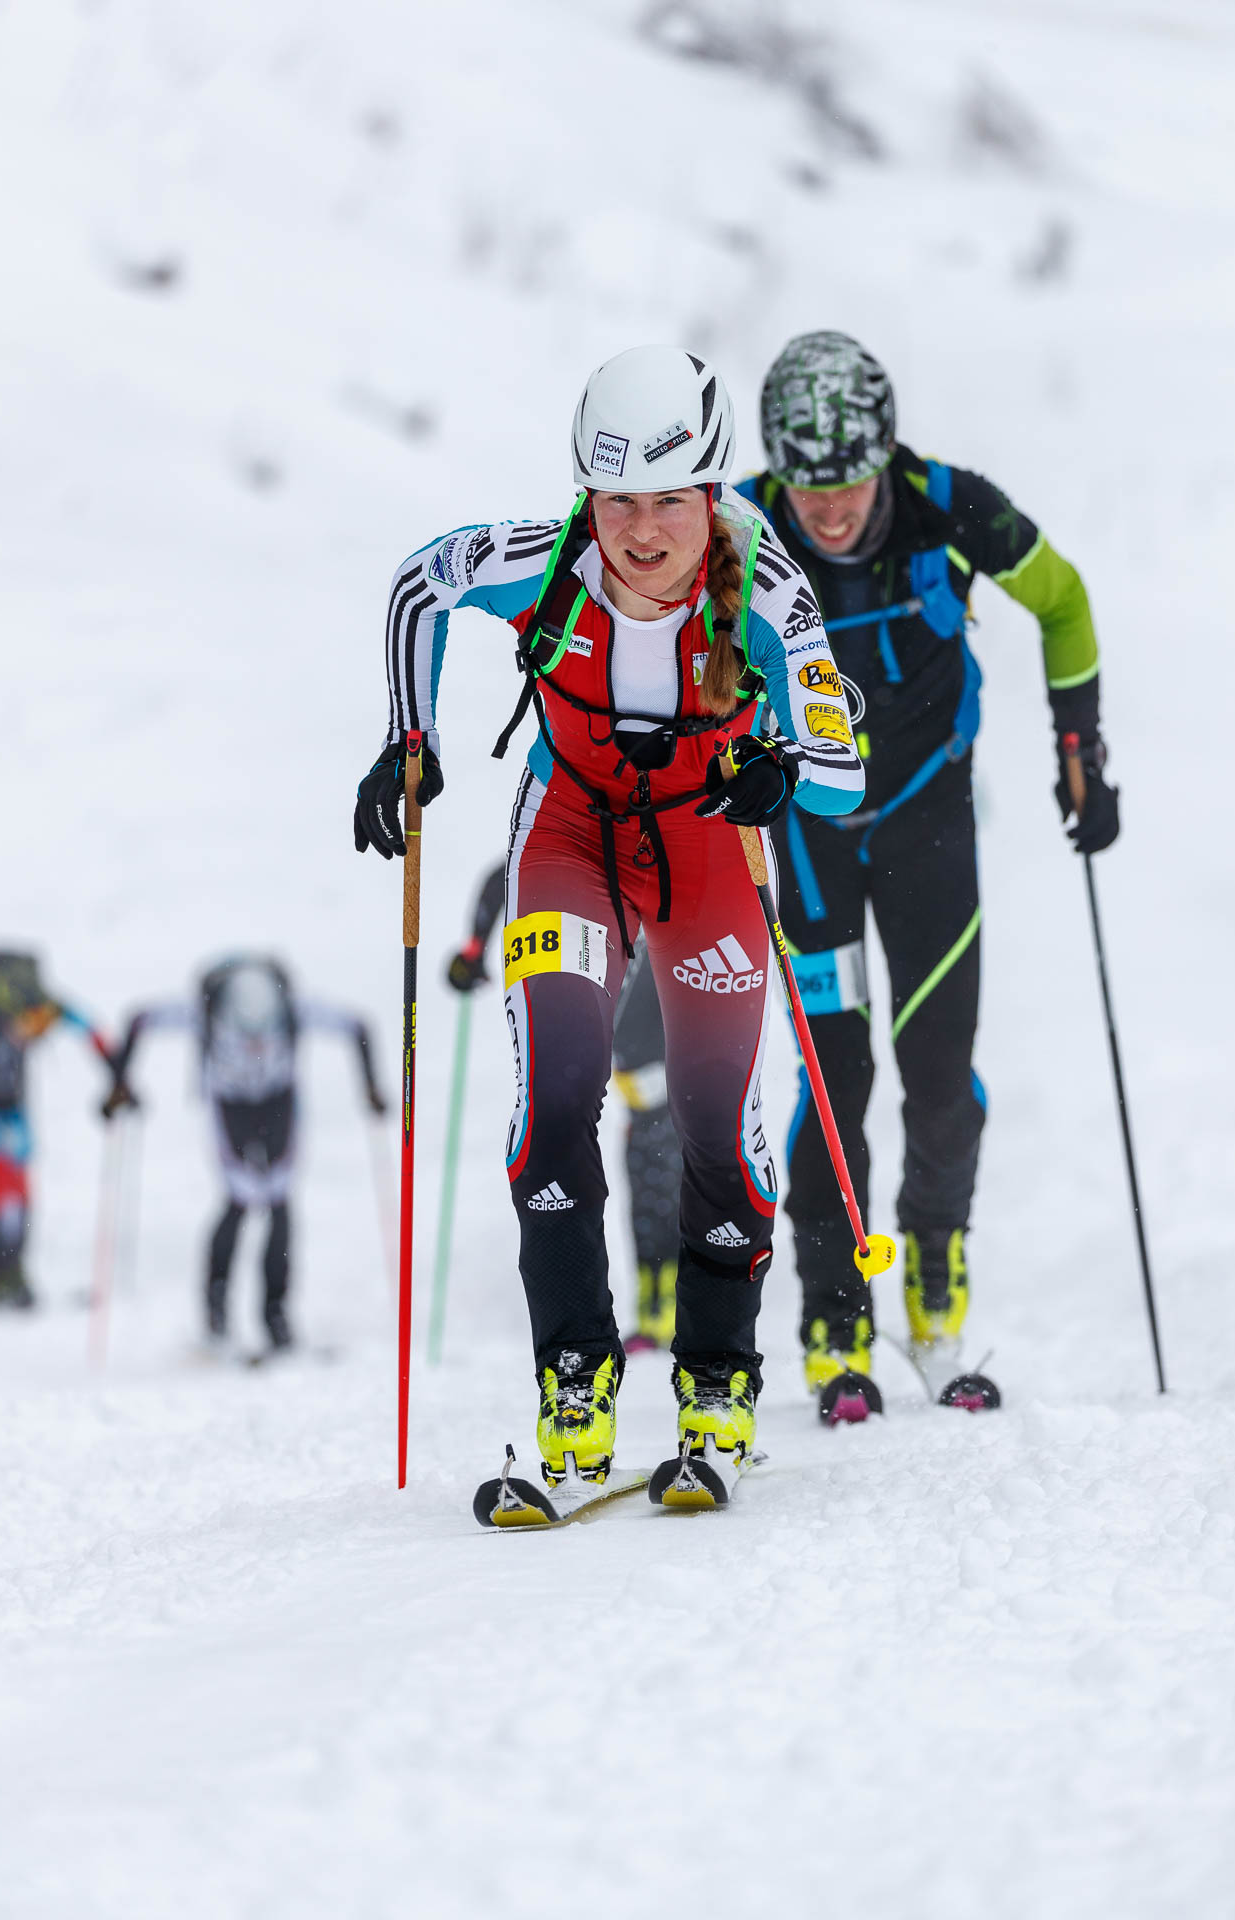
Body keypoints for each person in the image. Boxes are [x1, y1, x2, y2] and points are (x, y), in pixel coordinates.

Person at [355, 345, 864, 1483]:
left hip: (706, 850)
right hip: (570, 841)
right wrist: (408, 738)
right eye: (617, 499)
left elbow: (842, 759)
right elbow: (416, 586)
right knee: (555, 1105)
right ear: (587, 492)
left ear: (711, 490)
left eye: (670, 500)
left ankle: (717, 1376)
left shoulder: (764, 583)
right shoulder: (541, 562)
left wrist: (780, 762)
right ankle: (574, 1377)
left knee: (710, 1115)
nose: (641, 530)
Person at [734, 331, 1119, 1404]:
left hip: (925, 821)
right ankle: (832, 1307)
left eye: (846, 481)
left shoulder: (953, 505)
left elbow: (1064, 599)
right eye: (807, 485)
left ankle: (936, 1269)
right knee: (831, 1076)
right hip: (803, 833)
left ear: (882, 454)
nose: (828, 508)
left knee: (938, 1076)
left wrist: (1077, 748)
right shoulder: (736, 525)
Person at [447, 863, 683, 1351]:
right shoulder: (571, 830)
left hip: (665, 1016)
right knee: (639, 1157)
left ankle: (674, 1301)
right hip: (615, 1025)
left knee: (664, 1155)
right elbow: (505, 873)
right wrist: (475, 948)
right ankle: (654, 1301)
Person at [104, 956, 387, 1351]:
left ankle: (276, 1314)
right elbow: (140, 1020)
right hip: (230, 1106)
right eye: (242, 1032)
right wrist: (119, 1082)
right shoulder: (202, 1012)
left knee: (279, 1202)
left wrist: (371, 1086)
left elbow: (356, 1025)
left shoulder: (293, 1010)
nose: (254, 1042)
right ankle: (216, 1307)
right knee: (238, 1199)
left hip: (279, 1104)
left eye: (264, 1032)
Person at [0, 949, 117, 1309]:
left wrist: (116, 1071)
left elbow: (87, 1026)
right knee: (1, 1182)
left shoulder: (35, 1004)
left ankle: (15, 1270)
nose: (31, 1036)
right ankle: (4, 1276)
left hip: (12, 1104)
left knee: (21, 1184)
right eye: (27, 1026)